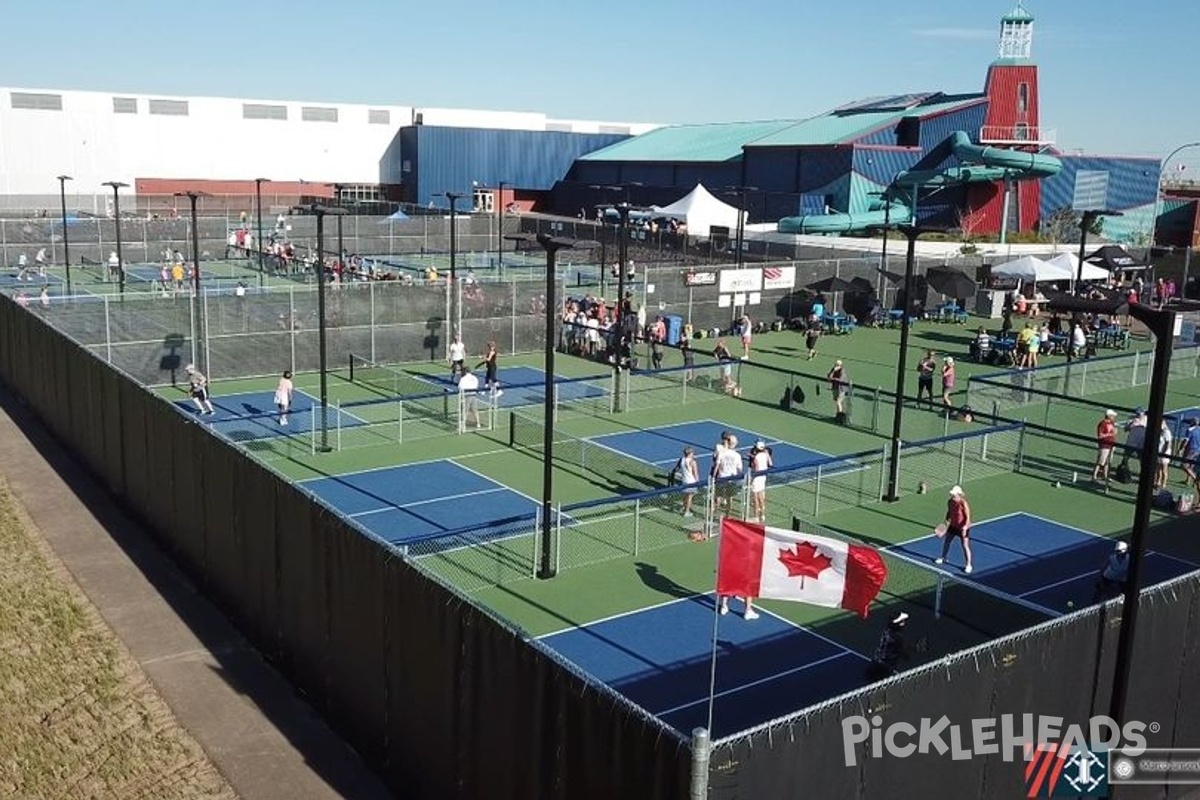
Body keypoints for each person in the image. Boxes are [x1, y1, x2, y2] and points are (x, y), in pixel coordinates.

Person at [935, 485, 973, 574]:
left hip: (963, 527)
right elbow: (949, 513)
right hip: (953, 526)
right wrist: (944, 525)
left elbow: (968, 517)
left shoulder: (963, 503)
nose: (952, 496)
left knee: (965, 545)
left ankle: (968, 565)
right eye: (952, 494)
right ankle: (943, 557)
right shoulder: (950, 502)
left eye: (954, 494)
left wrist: (965, 527)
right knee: (947, 541)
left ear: (959, 494)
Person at [867, 612, 914, 680]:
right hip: (885, 667)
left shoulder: (887, 631)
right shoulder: (897, 637)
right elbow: (904, 655)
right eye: (902, 621)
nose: (904, 623)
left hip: (875, 662)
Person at [748, 440, 773, 522]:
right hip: (763, 477)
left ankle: (756, 517)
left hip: (757, 478)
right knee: (761, 495)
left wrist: (752, 461)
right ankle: (762, 515)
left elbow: (756, 468)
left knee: (755, 497)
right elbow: (770, 463)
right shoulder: (766, 455)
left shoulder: (757, 457)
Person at [1093, 409, 1118, 483]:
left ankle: (1105, 476)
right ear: (1109, 416)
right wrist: (1111, 434)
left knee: (1108, 462)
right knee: (1100, 462)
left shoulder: (1112, 423)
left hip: (1111, 444)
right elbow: (1100, 436)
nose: (1114, 417)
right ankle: (1094, 477)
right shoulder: (1102, 424)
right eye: (1113, 416)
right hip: (1104, 445)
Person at [676, 446, 701, 519]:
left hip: (684, 481)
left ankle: (684, 507)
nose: (693, 454)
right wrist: (697, 482)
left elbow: (677, 468)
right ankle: (687, 511)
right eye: (692, 452)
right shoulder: (692, 462)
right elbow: (695, 473)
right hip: (691, 482)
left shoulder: (682, 460)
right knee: (690, 497)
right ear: (690, 453)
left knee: (685, 495)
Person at [1178, 417, 1200, 490]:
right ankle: (1188, 481)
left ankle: (1195, 479)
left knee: (1184, 465)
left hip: (1190, 450)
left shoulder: (1189, 430)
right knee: (1191, 465)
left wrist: (1181, 449)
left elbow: (1186, 441)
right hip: (1197, 449)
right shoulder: (1199, 429)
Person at [1155, 420, 1174, 491]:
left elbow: (1168, 444)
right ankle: (1158, 482)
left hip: (1164, 454)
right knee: (1158, 469)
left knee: (1164, 470)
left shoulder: (1166, 432)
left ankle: (1164, 484)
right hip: (1158, 452)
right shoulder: (1159, 431)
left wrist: (1164, 453)